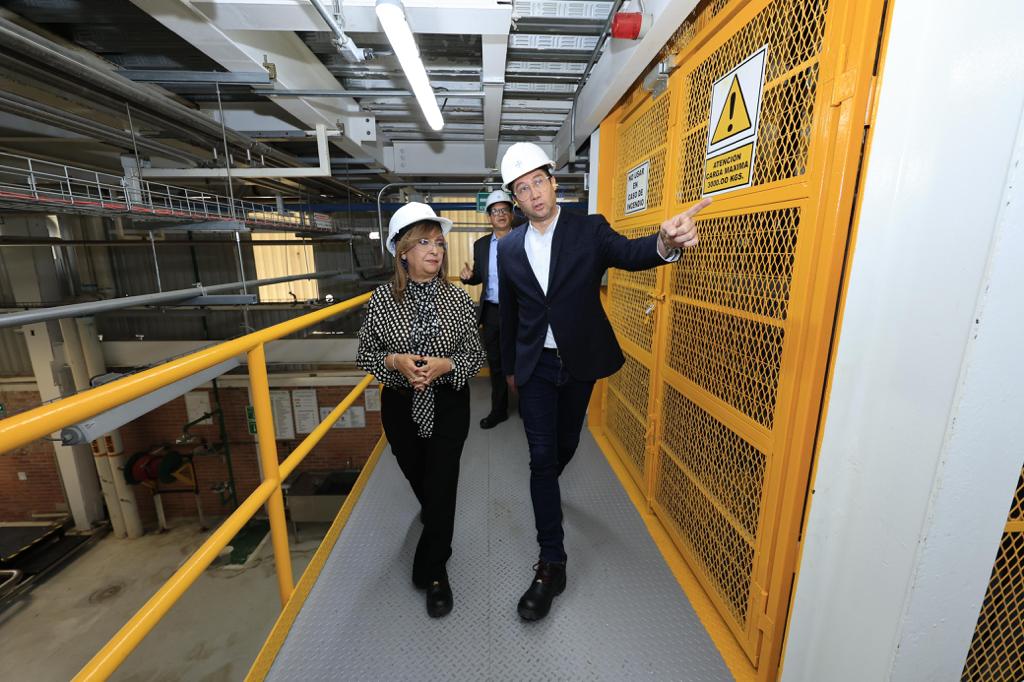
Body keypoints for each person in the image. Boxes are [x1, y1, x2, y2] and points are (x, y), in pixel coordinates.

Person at [496, 142, 710, 621]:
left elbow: (632, 254)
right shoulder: (507, 247)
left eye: (538, 181)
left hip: (578, 362)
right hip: (534, 366)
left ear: (553, 183)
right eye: (522, 188)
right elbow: (510, 312)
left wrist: (666, 242)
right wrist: (510, 367)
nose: (533, 193)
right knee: (540, 457)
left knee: (565, 444)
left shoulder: (588, 229)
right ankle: (552, 562)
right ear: (515, 199)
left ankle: (548, 486)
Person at [357, 202, 485, 618]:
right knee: (423, 482)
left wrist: (446, 365)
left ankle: (434, 571)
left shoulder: (458, 299)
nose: (436, 250)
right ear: (403, 252)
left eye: (439, 243)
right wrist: (395, 362)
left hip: (448, 405)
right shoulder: (382, 300)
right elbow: (366, 353)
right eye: (425, 242)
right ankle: (435, 529)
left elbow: (475, 355)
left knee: (442, 486)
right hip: (400, 406)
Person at [459, 189, 514, 429]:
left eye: (504, 210)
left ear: (511, 214)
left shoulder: (525, 238)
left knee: (525, 359)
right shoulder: (481, 245)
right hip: (492, 312)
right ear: (489, 217)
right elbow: (480, 276)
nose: (500, 215)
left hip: (520, 312)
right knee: (496, 363)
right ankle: (499, 410)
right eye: (495, 211)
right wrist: (469, 277)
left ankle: (529, 408)